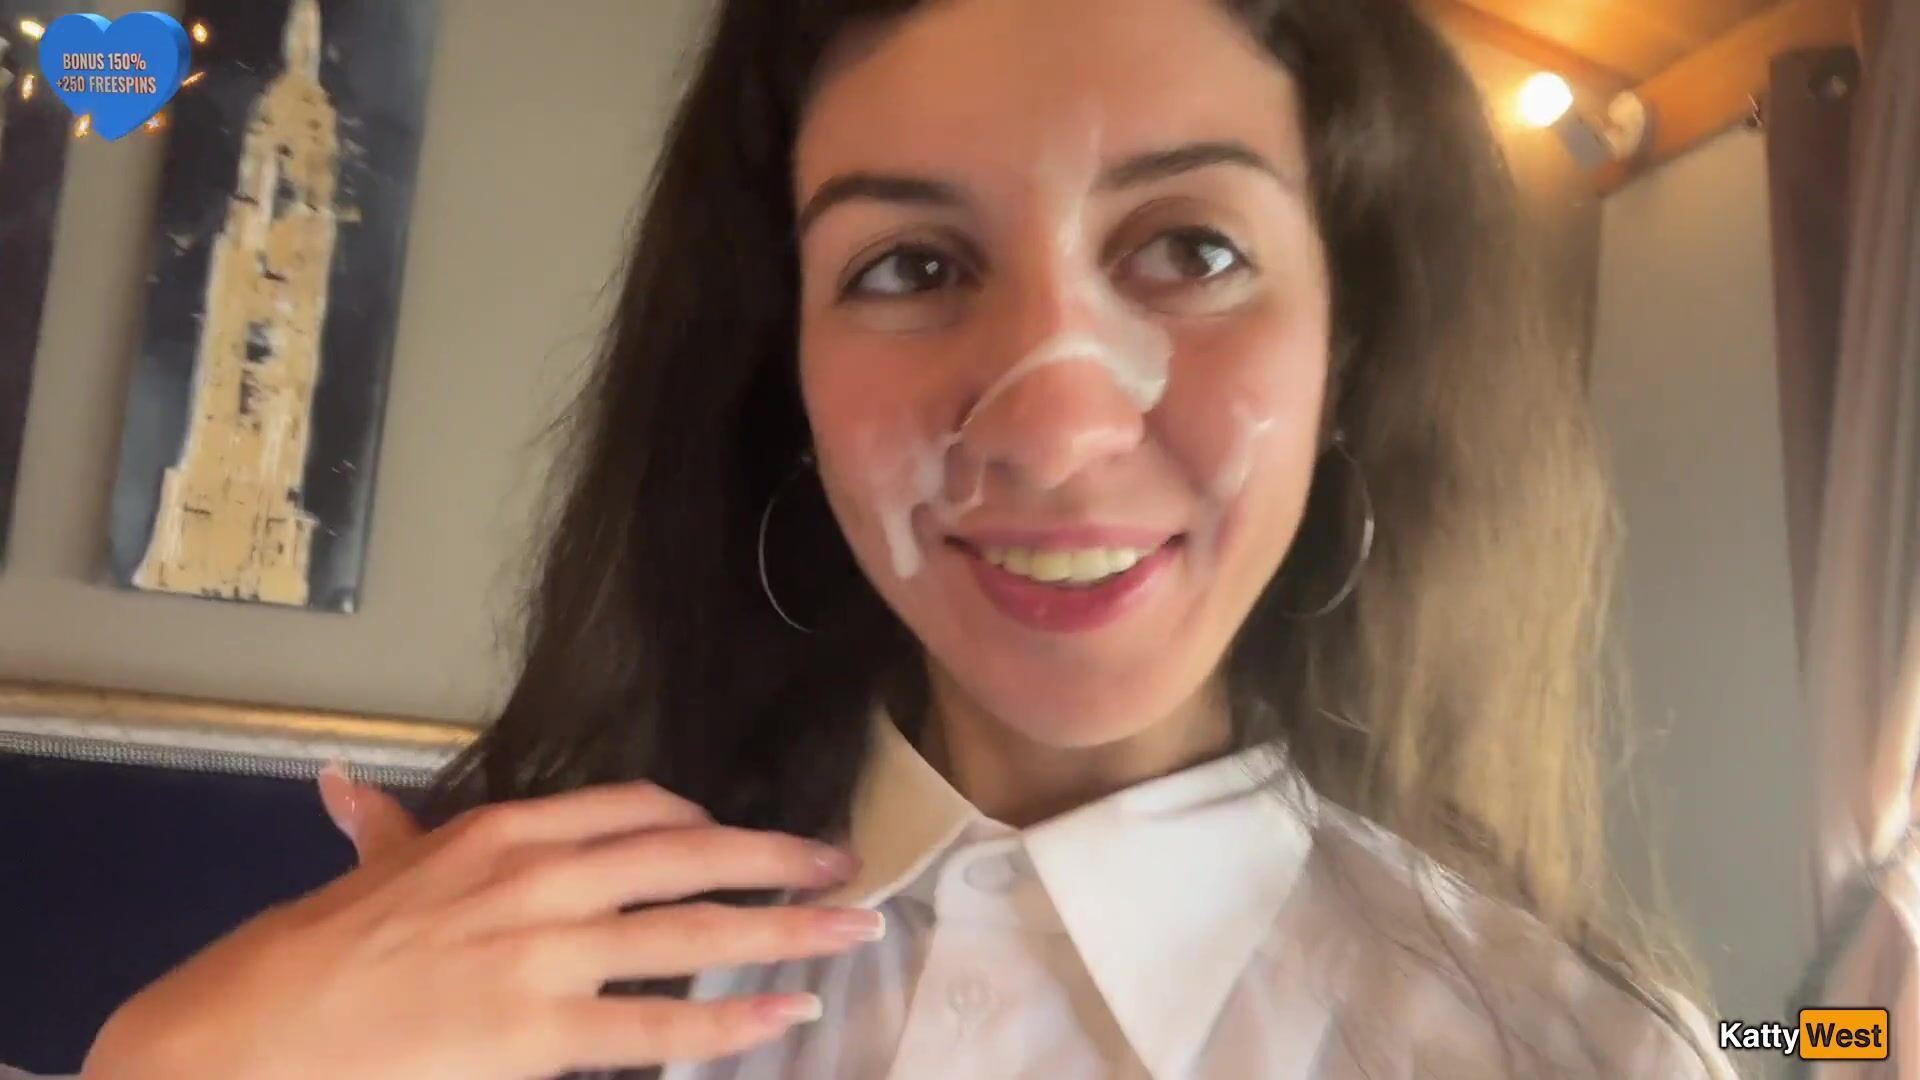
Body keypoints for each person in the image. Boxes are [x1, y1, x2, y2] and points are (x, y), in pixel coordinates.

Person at [44, 0, 1742, 1077]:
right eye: (911, 268)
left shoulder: (1580, 1059)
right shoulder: (519, 973)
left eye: (1191, 249)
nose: (1057, 430)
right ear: (786, 371)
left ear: (1349, 344)